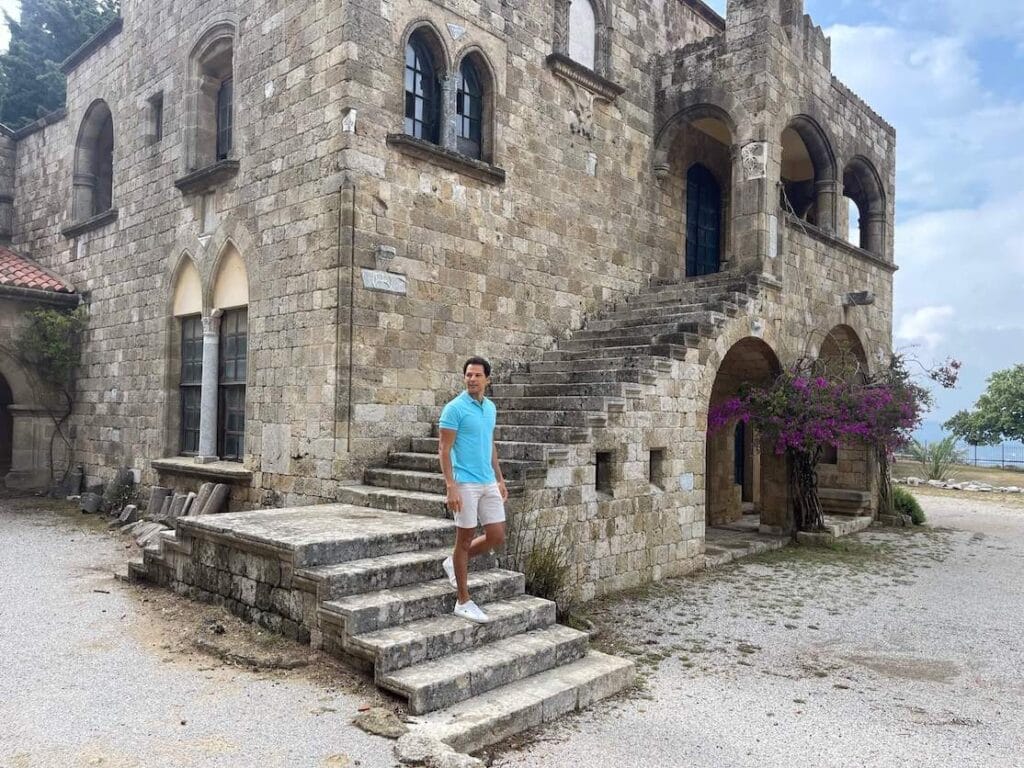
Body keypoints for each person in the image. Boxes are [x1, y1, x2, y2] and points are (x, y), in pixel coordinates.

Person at [438, 356, 508, 623]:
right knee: (464, 540)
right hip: (464, 482)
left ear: (487, 379)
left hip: (487, 480)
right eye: (468, 375)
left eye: (477, 375)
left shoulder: (490, 408)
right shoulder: (454, 409)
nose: (472, 379)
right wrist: (451, 486)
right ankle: (462, 600)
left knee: (496, 534)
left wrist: (500, 479)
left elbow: (489, 443)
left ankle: (452, 563)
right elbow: (444, 450)